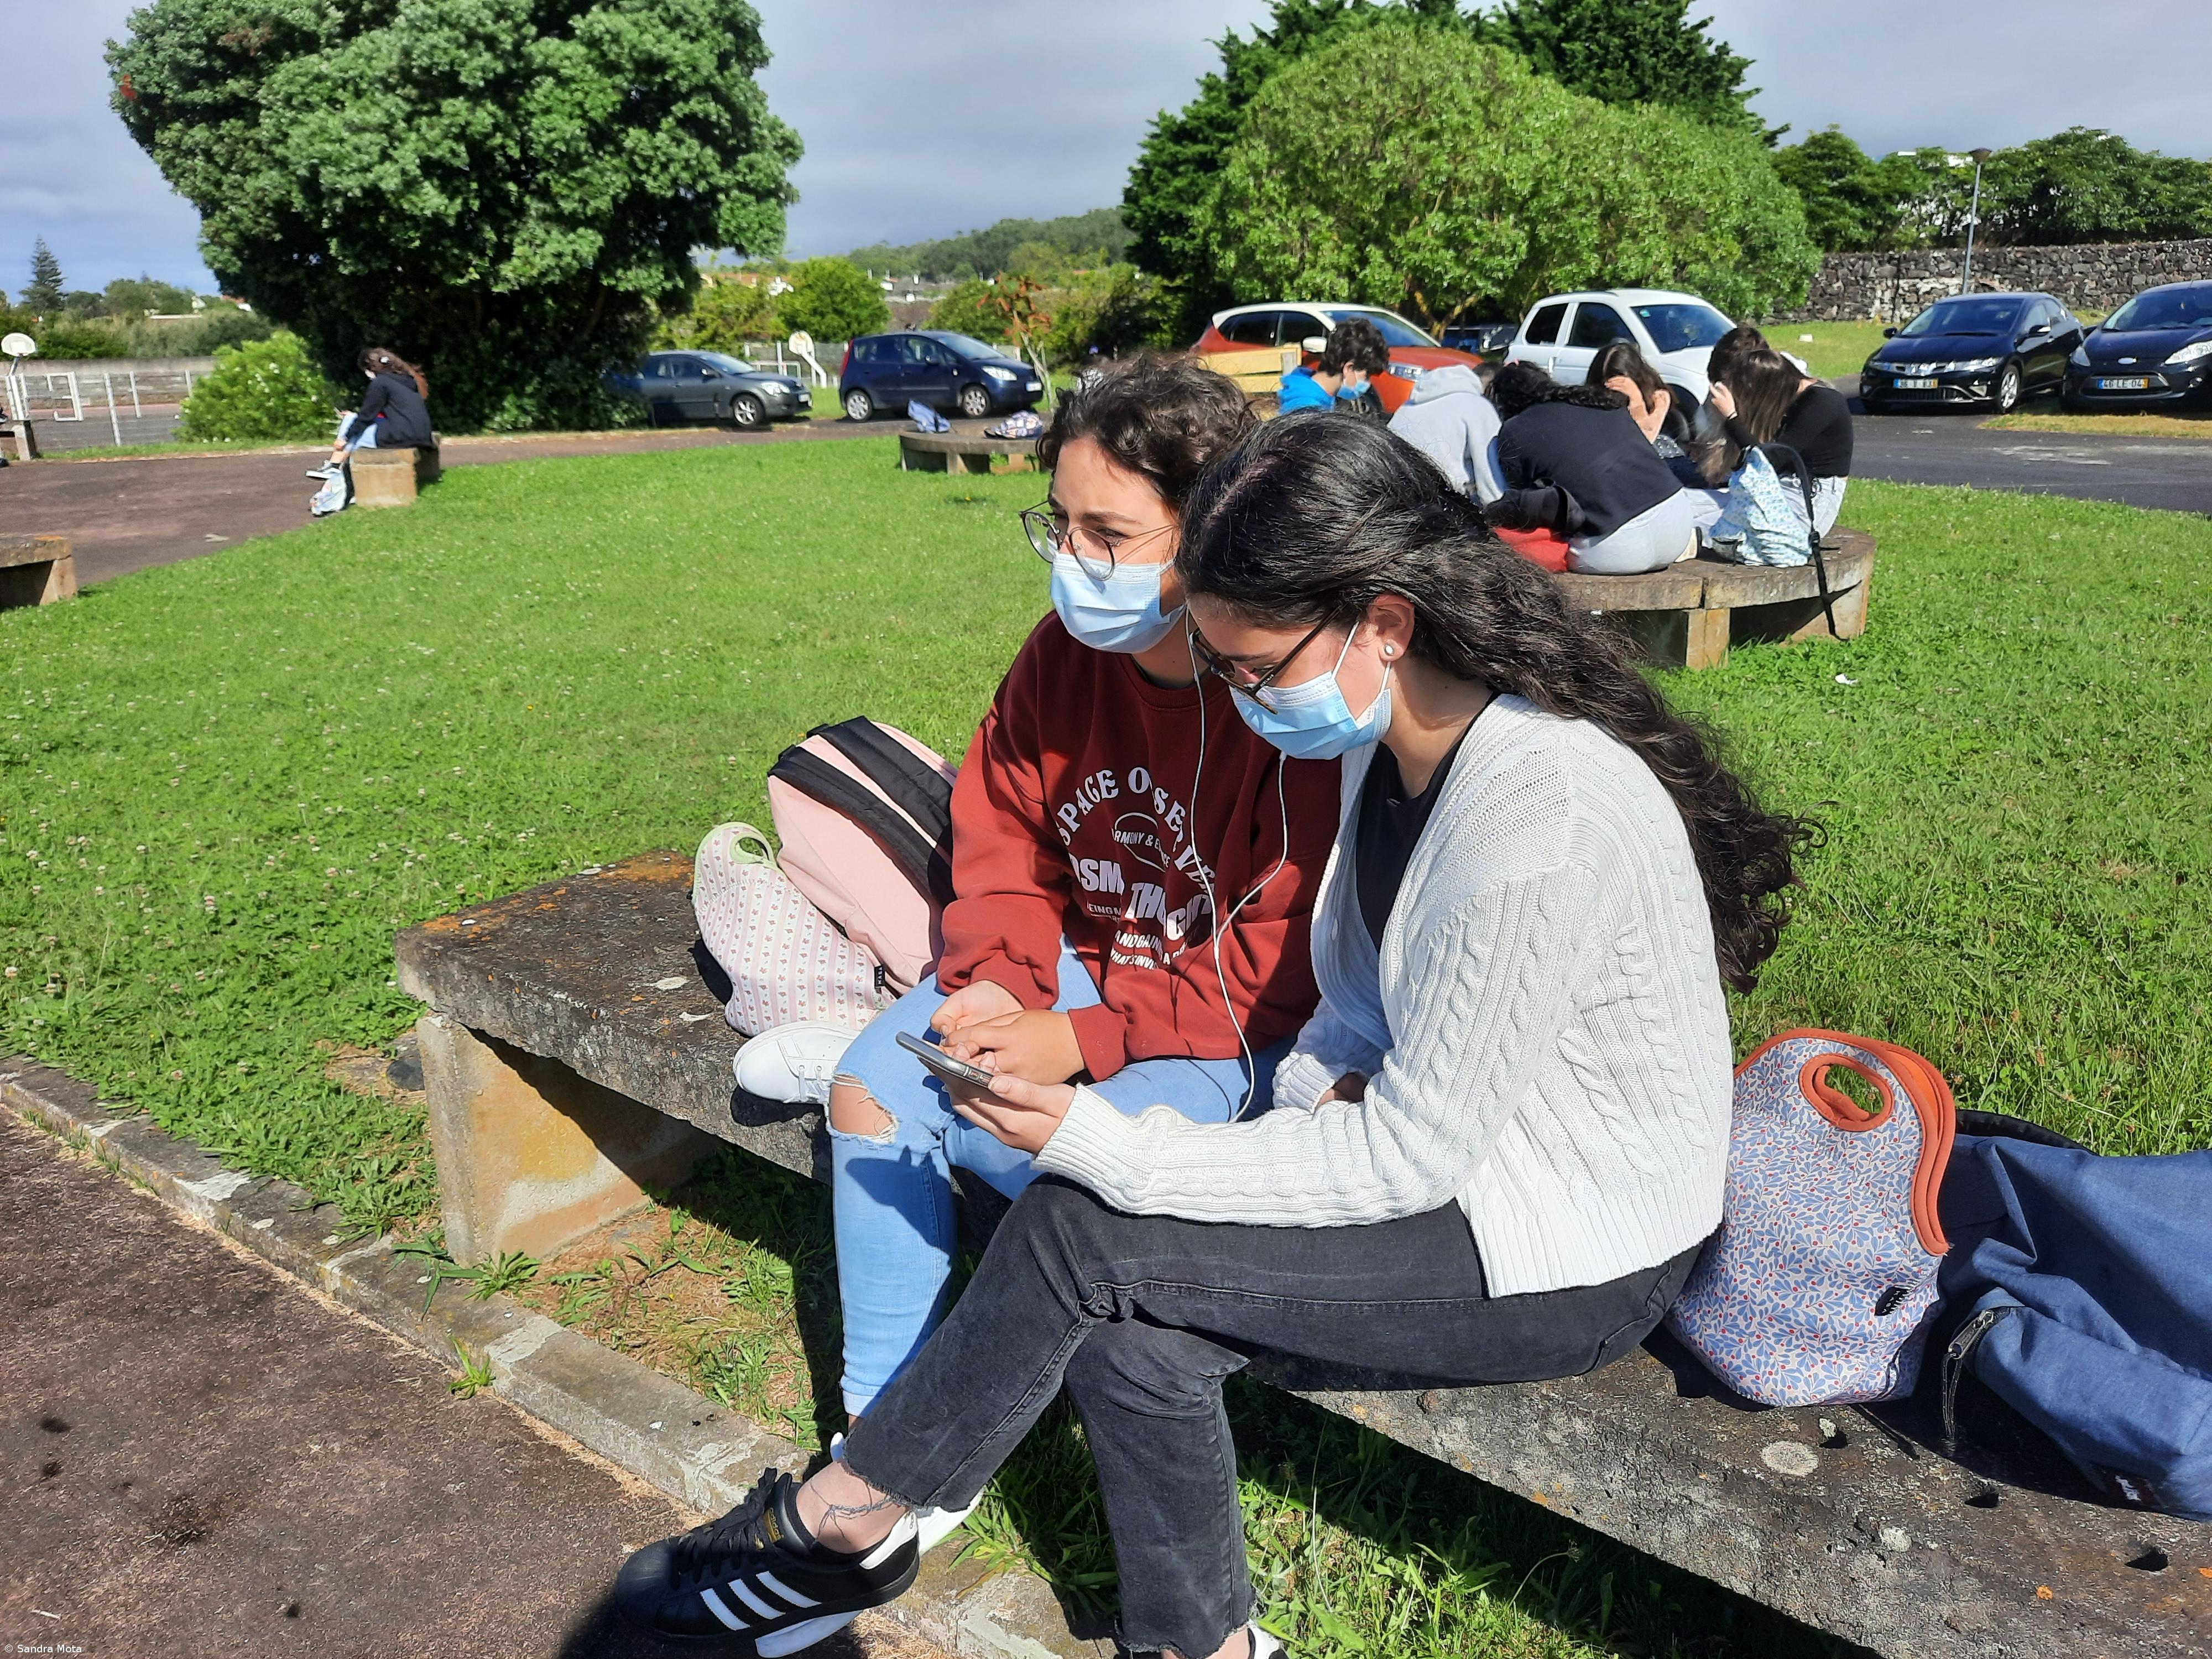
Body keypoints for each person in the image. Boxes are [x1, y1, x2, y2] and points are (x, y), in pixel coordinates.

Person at [613, 414, 1812, 1659]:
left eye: (1251, 670)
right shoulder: (1395, 754)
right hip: (1452, 1171)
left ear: (1384, 624)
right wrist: (1298, 1106)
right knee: (1132, 1321)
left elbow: (1409, 1160)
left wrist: (1100, 1139)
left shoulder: (1535, 819)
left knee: (1082, 1226)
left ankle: (843, 1521)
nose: (1238, 699)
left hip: (1567, 1251)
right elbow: (1350, 1010)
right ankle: (1196, 1645)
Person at [736, 356, 1340, 1448]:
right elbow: (1001, 842)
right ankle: (880, 1433)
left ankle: (954, 1425)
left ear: (1215, 534)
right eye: (1058, 524)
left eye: (1107, 534)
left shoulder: (1281, 696)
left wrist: (1078, 1037)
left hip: (1224, 1030)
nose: (1071, 560)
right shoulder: (1061, 657)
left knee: (1054, 1170)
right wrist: (994, 985)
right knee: (875, 1090)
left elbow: (1273, 969)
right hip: (1072, 972)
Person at [1487, 361, 1695, 575]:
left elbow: (1525, 503)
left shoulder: (1513, 431)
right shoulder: (1600, 401)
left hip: (1614, 550)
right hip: (1678, 525)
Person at [1708, 348, 1853, 535]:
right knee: (1695, 505)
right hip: (1783, 485)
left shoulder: (1823, 402)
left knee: (1733, 530)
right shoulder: (1798, 397)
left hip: (1811, 497)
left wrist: (1731, 417)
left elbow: (1768, 461)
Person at [309, 347, 431, 481]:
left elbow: (366, 417)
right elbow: (384, 414)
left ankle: (335, 466)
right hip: (421, 435)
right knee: (353, 421)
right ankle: (334, 469)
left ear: (371, 369)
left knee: (353, 431)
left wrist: (345, 438)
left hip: (401, 436)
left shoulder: (380, 383)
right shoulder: (407, 381)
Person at [1387, 359, 1501, 502]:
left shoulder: (1408, 406)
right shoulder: (1479, 407)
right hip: (1442, 496)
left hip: (1395, 486)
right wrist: (1499, 505)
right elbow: (1488, 472)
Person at [1276, 317, 1389, 415]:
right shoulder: (1307, 409)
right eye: (1367, 376)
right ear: (1349, 368)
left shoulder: (1313, 391)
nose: (1367, 384)